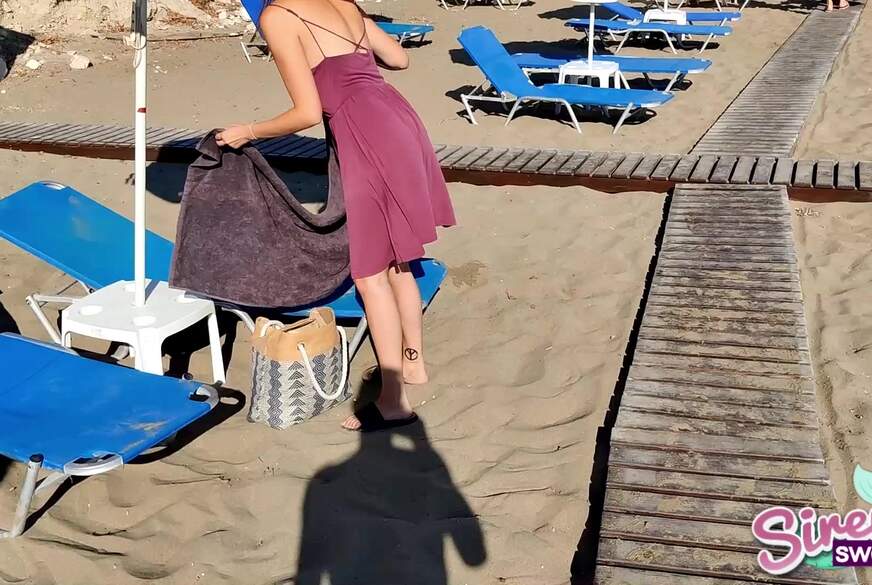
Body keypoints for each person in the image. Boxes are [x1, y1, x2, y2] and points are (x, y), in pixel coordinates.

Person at [215, 0, 455, 432]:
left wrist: (246, 131)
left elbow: (306, 113)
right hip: (399, 119)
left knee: (369, 275)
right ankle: (414, 364)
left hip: (365, 134)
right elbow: (399, 59)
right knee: (399, 258)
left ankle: (393, 401)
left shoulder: (277, 16)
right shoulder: (342, 2)